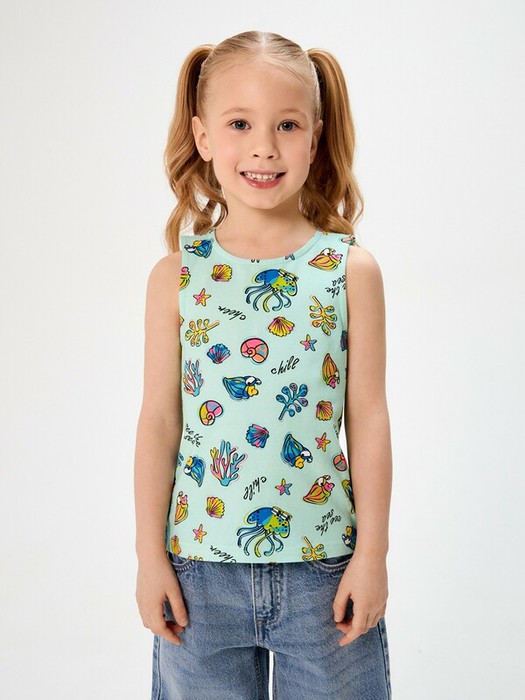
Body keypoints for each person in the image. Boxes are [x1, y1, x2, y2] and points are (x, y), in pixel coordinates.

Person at [134, 30, 393, 700]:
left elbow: (368, 417)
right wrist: (148, 557)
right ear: (202, 136)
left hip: (323, 573)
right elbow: (159, 421)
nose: (264, 148)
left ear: (315, 137)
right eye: (240, 124)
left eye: (287, 125)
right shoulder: (176, 277)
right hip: (198, 575)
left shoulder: (348, 270)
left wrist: (372, 555)